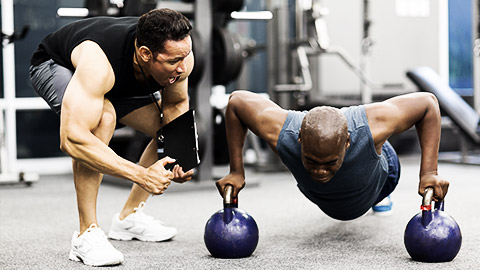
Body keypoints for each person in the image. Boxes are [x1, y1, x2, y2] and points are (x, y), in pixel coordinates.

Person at [29, 8, 195, 266]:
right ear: (145, 54)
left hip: (115, 81)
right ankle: (86, 234)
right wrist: (141, 174)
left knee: (166, 130)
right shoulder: (98, 61)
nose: (183, 67)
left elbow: (176, 106)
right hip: (55, 64)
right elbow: (72, 139)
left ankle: (128, 218)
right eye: (174, 61)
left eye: (185, 56)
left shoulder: (180, 56)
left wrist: (181, 155)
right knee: (102, 120)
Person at [216, 90, 450, 221]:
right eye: (311, 161)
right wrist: (236, 171)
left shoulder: (370, 127)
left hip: (379, 179)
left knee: (379, 154)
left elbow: (428, 104)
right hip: (327, 196)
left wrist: (429, 173)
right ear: (299, 139)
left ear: (347, 143)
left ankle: (379, 195)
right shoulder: (282, 133)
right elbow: (236, 102)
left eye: (329, 163)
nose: (319, 171)